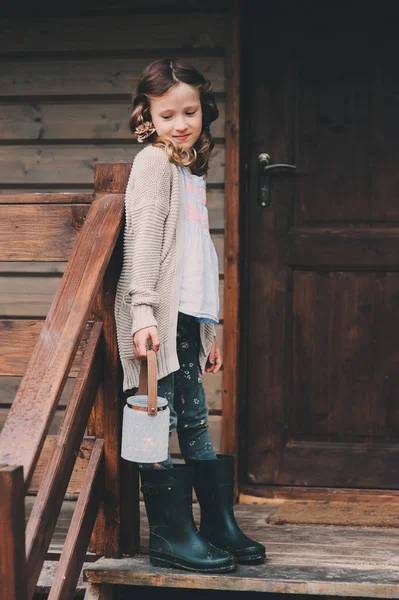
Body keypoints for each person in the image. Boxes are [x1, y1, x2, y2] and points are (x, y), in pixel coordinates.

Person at [114, 58, 265, 573]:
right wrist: (141, 313)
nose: (182, 123)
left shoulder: (188, 166)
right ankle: (172, 536)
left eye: (191, 111)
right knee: (159, 419)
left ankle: (216, 525)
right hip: (155, 316)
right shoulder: (154, 164)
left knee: (197, 422)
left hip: (185, 319)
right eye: (168, 113)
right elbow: (143, 242)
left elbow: (195, 260)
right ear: (148, 115)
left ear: (205, 110)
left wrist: (206, 331)